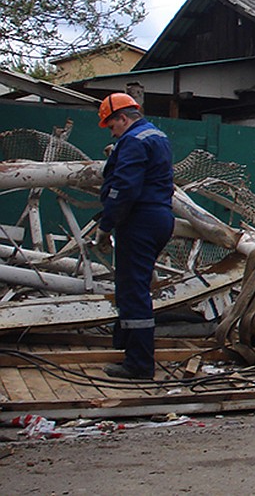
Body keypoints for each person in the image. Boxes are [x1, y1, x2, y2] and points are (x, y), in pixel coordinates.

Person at [95, 93, 176, 380]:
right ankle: (128, 349)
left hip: (139, 221)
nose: (112, 132)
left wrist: (106, 225)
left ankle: (139, 365)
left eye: (112, 126)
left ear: (123, 118)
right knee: (134, 286)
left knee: (133, 290)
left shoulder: (132, 141)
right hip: (158, 218)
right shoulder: (157, 137)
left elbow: (124, 189)